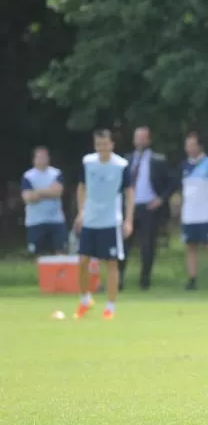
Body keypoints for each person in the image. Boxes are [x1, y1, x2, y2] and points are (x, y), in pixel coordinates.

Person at [74, 129, 134, 320]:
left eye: (105, 144)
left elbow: (130, 192)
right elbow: (81, 187)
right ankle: (85, 300)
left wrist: (128, 220)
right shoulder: (88, 162)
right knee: (82, 261)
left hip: (110, 221)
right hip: (90, 220)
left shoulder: (121, 165)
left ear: (112, 144)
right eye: (98, 144)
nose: (102, 148)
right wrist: (81, 212)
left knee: (111, 263)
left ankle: (110, 306)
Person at [122, 126, 175, 290]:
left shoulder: (158, 160)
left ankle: (145, 281)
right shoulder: (127, 161)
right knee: (123, 245)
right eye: (138, 138)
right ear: (133, 140)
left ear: (149, 140)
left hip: (149, 208)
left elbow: (171, 183)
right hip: (130, 208)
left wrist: (160, 199)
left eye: (143, 138)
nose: (140, 141)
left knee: (147, 246)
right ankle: (118, 280)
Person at [180, 131, 208, 291]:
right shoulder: (185, 165)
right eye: (187, 145)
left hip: (206, 214)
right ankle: (192, 279)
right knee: (191, 246)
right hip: (189, 215)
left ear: (200, 146)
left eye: (193, 145)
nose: (189, 148)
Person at [21, 146, 68, 255]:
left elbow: (57, 193)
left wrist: (37, 192)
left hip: (56, 220)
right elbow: (29, 198)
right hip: (35, 221)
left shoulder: (56, 173)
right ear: (34, 159)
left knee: (61, 251)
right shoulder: (28, 176)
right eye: (39, 157)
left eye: (45, 156)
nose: (42, 159)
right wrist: (49, 192)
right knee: (36, 254)